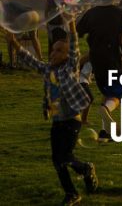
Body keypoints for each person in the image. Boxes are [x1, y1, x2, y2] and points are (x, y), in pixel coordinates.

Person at [5, 20, 98, 205]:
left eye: (59, 51)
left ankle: (86, 169)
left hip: (72, 119)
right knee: (57, 160)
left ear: (67, 55)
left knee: (65, 156)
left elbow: (74, 49)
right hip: (58, 121)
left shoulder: (70, 67)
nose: (53, 53)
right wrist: (13, 42)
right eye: (53, 50)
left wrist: (71, 26)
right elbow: (30, 60)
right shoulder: (48, 70)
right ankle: (71, 193)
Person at [76, 0, 122, 143]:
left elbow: (77, 33)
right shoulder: (121, 14)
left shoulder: (90, 14)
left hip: (96, 62)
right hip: (113, 60)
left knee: (107, 92)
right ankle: (105, 109)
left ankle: (106, 132)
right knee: (115, 97)